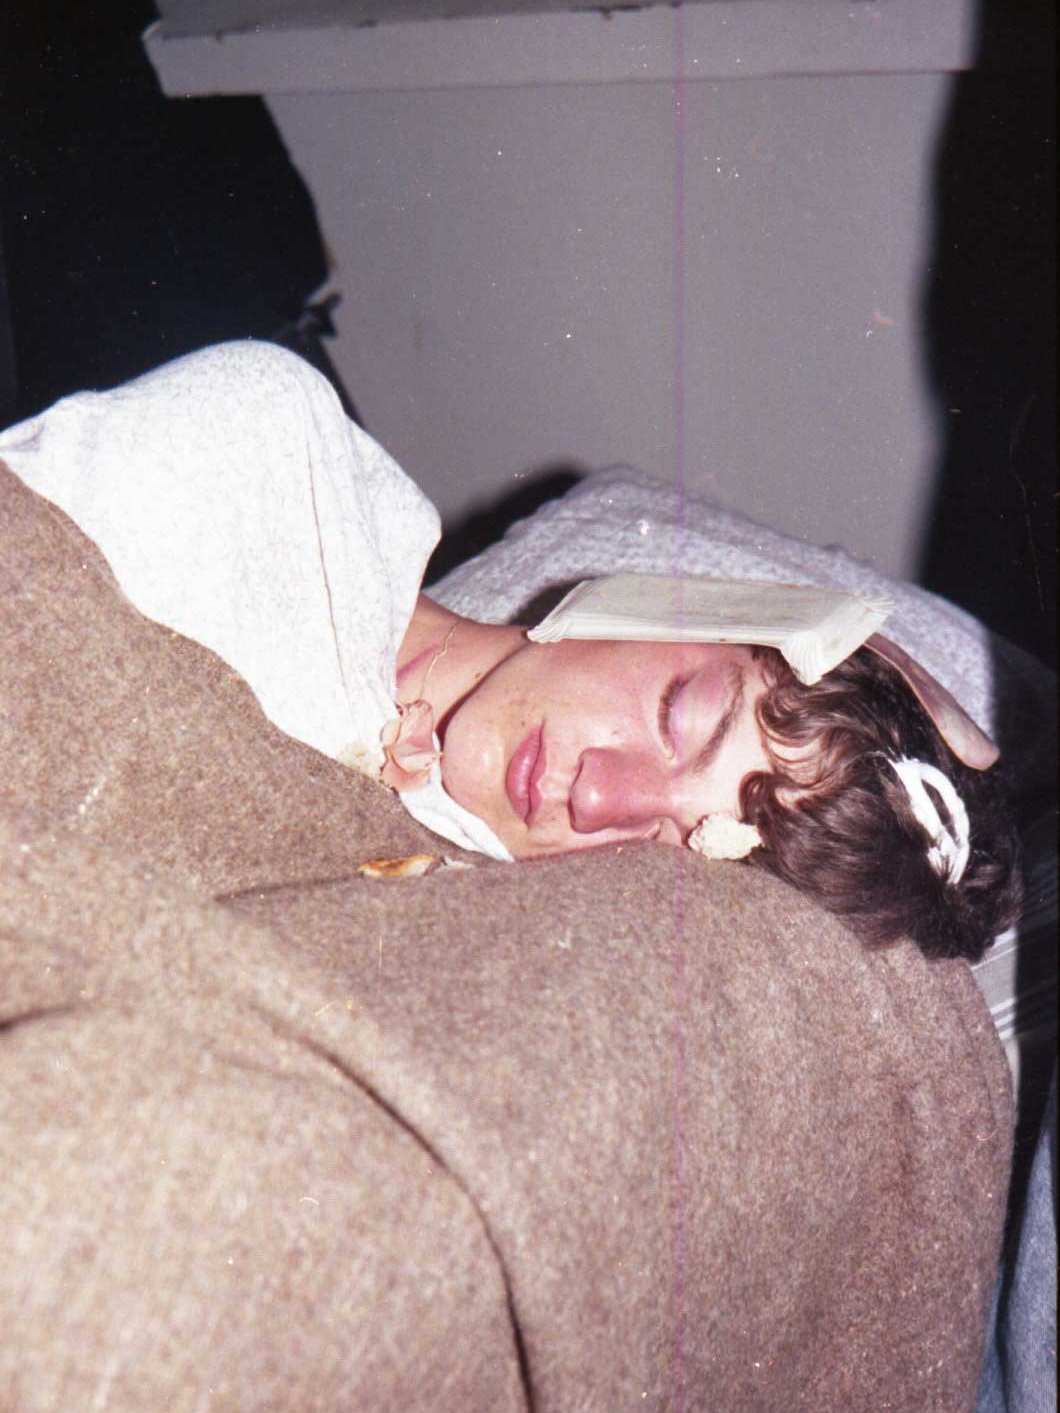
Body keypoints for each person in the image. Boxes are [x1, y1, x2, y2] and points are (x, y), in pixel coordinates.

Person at [0, 340, 1021, 963]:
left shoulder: (461, 912)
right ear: (668, 605)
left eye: (670, 846)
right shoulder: (275, 460)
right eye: (676, 716)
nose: (601, 799)